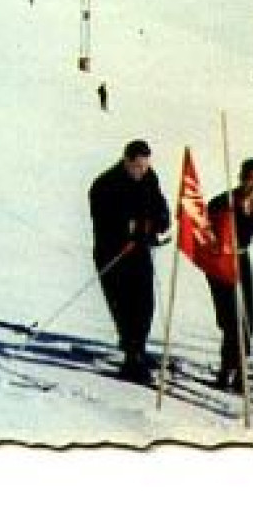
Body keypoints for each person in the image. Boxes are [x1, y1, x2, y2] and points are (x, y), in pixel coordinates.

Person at [88, 139, 170, 384]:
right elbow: (106, 221)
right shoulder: (105, 185)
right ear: (126, 160)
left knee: (145, 304)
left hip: (140, 250)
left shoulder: (149, 178)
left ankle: (139, 349)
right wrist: (131, 227)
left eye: (145, 166)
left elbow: (159, 206)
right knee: (124, 307)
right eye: (137, 166)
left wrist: (158, 222)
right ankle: (131, 358)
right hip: (114, 253)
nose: (142, 171)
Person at [205, 157, 253, 392]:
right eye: (251, 180)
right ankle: (229, 369)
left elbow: (247, 227)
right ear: (241, 178)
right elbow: (209, 223)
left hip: (242, 259)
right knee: (231, 318)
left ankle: (237, 367)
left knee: (247, 317)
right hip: (222, 261)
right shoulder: (225, 201)